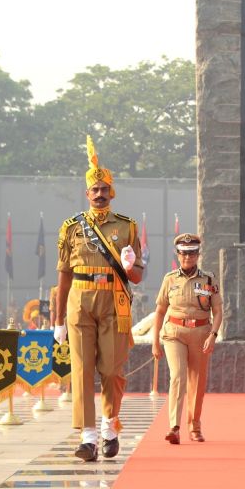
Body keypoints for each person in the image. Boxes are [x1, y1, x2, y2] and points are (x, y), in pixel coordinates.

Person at [54, 136, 143, 462]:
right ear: (87, 193)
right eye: (95, 190)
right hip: (79, 301)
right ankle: (88, 437)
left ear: (112, 191)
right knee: (81, 370)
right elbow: (63, 273)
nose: (100, 194)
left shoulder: (127, 227)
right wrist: (57, 318)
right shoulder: (70, 228)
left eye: (105, 189)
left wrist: (131, 266)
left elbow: (137, 276)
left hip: (113, 302)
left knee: (112, 371)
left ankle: (110, 426)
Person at [153, 233, 222, 444]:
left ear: (198, 255)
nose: (187, 258)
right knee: (178, 376)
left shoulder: (208, 279)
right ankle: (174, 426)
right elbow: (160, 310)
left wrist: (213, 335)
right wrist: (155, 341)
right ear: (177, 254)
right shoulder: (170, 279)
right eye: (183, 253)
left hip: (201, 333)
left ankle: (195, 425)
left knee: (197, 381)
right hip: (175, 332)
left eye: (191, 254)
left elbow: (218, 311)